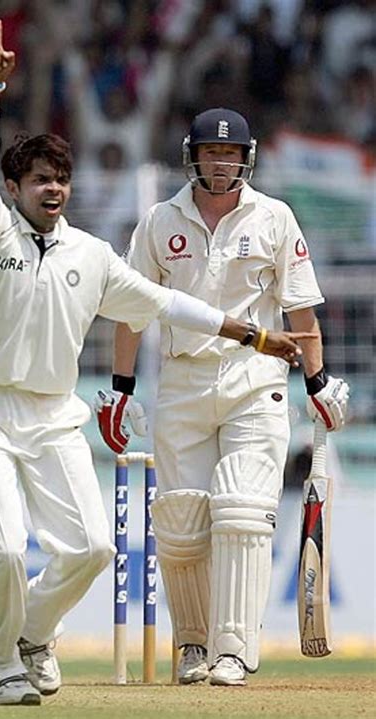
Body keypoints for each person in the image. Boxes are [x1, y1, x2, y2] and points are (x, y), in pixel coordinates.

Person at [0, 24, 312, 706]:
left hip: (53, 414)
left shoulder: (91, 254)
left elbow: (169, 302)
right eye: (38, 180)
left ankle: (31, 634)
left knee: (90, 549)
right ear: (14, 188)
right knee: (3, 548)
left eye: (60, 180)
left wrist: (253, 336)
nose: (52, 189)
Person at [95, 107, 349, 687]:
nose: (221, 161)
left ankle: (233, 650)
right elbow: (134, 311)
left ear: (246, 157)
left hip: (255, 377)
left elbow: (300, 309)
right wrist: (120, 390)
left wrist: (316, 379)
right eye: (212, 151)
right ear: (194, 155)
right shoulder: (160, 221)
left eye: (231, 153)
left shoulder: (275, 218)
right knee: (182, 520)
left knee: (240, 510)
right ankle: (192, 644)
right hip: (182, 378)